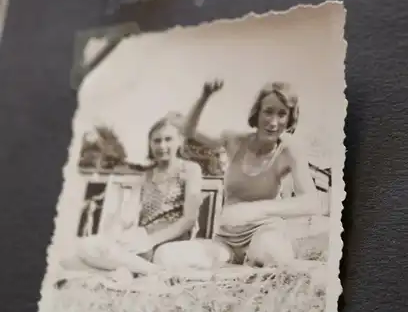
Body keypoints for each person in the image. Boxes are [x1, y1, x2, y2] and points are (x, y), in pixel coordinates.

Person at [169, 80, 325, 268]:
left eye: (282, 114)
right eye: (268, 111)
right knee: (168, 256)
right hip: (226, 240)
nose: (273, 122)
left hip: (264, 233)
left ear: (289, 119)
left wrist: (256, 209)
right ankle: (240, 270)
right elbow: (189, 131)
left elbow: (312, 202)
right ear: (257, 113)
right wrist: (205, 96)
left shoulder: (288, 150)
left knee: (270, 255)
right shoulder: (235, 141)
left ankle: (262, 269)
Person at [64, 117, 225, 277]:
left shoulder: (190, 170)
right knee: (84, 246)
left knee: (157, 256)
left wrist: (151, 241)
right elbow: (130, 215)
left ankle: (137, 269)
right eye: (156, 141)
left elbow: (188, 220)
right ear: (150, 144)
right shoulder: (147, 174)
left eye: (168, 139)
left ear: (179, 142)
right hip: (141, 237)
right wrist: (121, 235)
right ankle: (145, 270)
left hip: (170, 241)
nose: (162, 146)